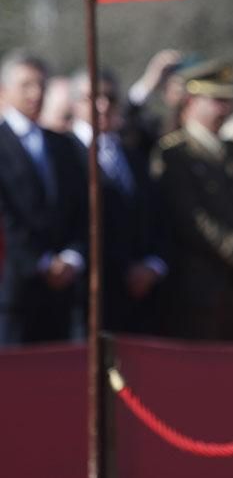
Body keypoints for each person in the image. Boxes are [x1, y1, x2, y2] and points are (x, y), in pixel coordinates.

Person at [153, 60, 233, 341]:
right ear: (190, 101)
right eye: (216, 100)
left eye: (228, 101)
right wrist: (231, 247)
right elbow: (189, 214)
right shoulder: (175, 154)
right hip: (197, 284)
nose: (224, 109)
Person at [69, 68, 167, 334]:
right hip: (85, 297)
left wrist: (152, 265)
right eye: (93, 97)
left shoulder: (132, 156)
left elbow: (154, 215)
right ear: (75, 103)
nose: (103, 105)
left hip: (136, 296)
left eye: (110, 98)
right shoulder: (63, 152)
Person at [0, 50, 88, 345]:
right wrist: (40, 262)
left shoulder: (62, 145)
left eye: (41, 85)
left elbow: (78, 207)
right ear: (5, 90)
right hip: (16, 289)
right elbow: (6, 215)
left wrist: (72, 256)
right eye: (26, 85)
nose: (35, 93)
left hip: (63, 292)